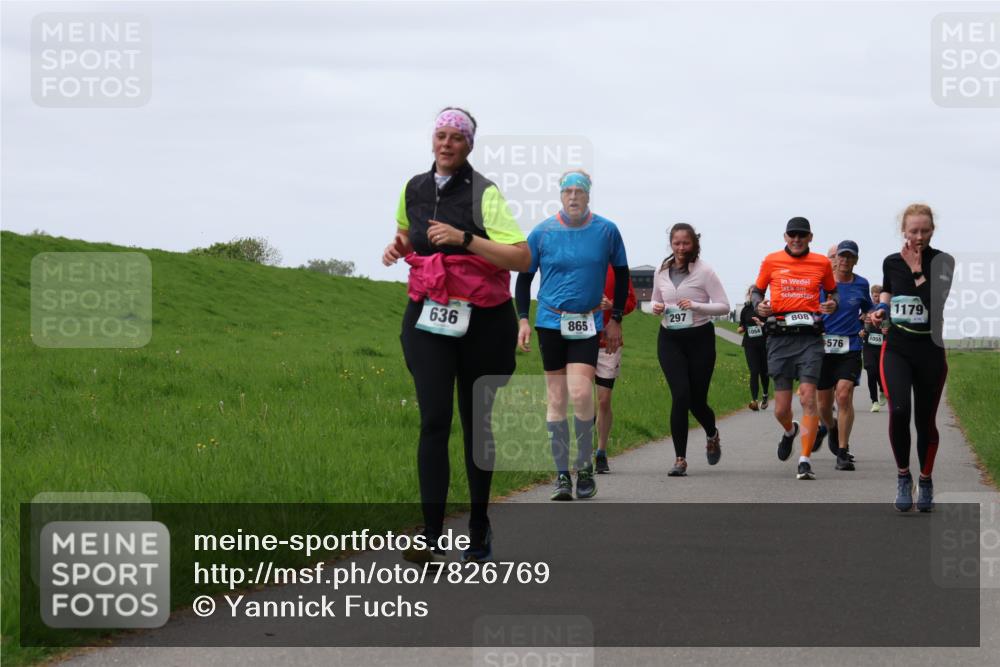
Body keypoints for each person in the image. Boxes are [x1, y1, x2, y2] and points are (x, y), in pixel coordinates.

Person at [384, 107, 531, 563]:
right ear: (433, 140)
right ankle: (429, 536)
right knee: (433, 420)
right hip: (429, 315)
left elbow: (521, 257)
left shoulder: (484, 194)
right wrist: (399, 246)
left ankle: (480, 525)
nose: (447, 143)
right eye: (441, 135)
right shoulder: (414, 187)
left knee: (475, 426)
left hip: (483, 322)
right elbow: (409, 233)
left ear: (469, 146)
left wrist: (465, 239)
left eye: (456, 137)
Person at [515, 170, 629, 501]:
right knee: (557, 399)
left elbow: (622, 274)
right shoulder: (542, 232)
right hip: (551, 322)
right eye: (568, 192)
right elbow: (524, 279)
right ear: (560, 196)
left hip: (588, 321)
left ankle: (585, 467)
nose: (574, 197)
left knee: (580, 394)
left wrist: (616, 318)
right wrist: (523, 319)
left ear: (589, 195)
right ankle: (562, 475)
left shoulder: (606, 231)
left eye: (580, 191)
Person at [870, 204, 953, 512]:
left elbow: (935, 302)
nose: (919, 236)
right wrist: (881, 311)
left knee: (925, 420)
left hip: (930, 351)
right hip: (897, 349)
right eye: (913, 231)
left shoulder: (942, 261)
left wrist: (917, 267)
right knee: (900, 410)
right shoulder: (891, 262)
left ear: (933, 231)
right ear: (903, 231)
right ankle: (904, 476)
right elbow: (888, 295)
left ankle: (926, 479)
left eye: (925, 230)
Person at [751, 217, 838, 480]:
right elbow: (757, 292)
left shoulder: (822, 262)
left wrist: (832, 304)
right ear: (785, 237)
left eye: (802, 235)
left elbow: (834, 294)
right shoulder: (771, 260)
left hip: (810, 339)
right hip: (779, 337)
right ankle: (790, 431)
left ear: (810, 237)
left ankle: (804, 460)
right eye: (792, 235)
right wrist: (759, 306)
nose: (797, 240)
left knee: (808, 398)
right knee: (781, 409)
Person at [651, 223, 730, 476]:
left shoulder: (705, 271)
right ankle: (680, 459)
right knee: (681, 395)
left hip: (700, 339)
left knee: (697, 401)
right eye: (677, 243)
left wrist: (696, 305)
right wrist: (656, 307)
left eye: (686, 243)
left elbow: (724, 306)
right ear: (671, 244)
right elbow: (655, 298)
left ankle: (712, 433)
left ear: (694, 243)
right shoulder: (661, 271)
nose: (681, 248)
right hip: (670, 339)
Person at [814, 240, 873, 471]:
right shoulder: (822, 283)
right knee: (823, 404)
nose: (845, 260)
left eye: (850, 257)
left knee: (844, 394)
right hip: (822, 348)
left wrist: (871, 315)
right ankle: (829, 426)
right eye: (842, 256)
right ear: (835, 258)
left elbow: (868, 307)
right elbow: (809, 306)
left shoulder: (861, 284)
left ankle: (842, 451)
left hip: (850, 347)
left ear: (856, 260)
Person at [594, 265, 637, 473]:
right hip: (578, 339)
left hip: (608, 341)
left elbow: (631, 302)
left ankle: (601, 452)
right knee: (581, 398)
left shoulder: (617, 268)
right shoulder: (580, 260)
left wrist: (612, 306)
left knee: (603, 400)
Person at [737, 285, 769, 411]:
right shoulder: (745, 309)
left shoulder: (765, 309)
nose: (753, 296)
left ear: (761, 296)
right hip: (750, 345)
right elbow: (741, 326)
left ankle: (765, 394)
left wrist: (762, 324)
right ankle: (754, 400)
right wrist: (742, 328)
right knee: (754, 371)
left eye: (755, 294)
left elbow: (771, 325)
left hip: (764, 344)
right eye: (751, 293)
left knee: (764, 372)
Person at [861, 283, 887, 412]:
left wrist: (887, 331)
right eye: (874, 296)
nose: (876, 298)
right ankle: (874, 401)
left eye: (878, 296)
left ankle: (882, 389)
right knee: (871, 372)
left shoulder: (886, 309)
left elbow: (892, 326)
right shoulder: (867, 309)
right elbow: (859, 323)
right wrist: (860, 331)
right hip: (869, 346)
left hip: (883, 347)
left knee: (880, 373)